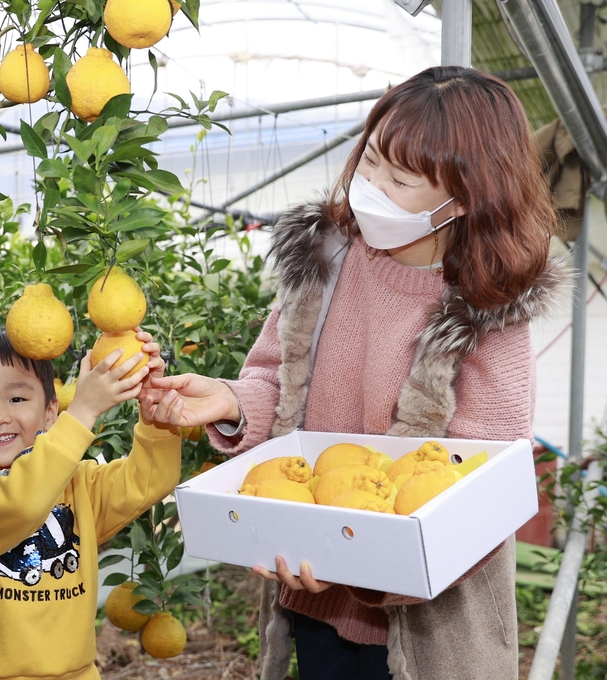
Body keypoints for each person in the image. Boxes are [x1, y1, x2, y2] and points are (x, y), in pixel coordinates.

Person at [138, 66, 571, 680]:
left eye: (399, 179)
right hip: (318, 595)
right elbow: (277, 382)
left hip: (430, 623)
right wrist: (231, 402)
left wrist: (364, 552)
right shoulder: (328, 259)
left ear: (468, 195)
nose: (370, 185)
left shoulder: (487, 306)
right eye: (368, 161)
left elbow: (480, 480)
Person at [0, 327, 181, 679]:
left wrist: (156, 415)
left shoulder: (80, 483)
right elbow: (19, 503)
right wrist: (81, 412)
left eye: (17, 399)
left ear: (51, 412)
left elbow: (150, 479)